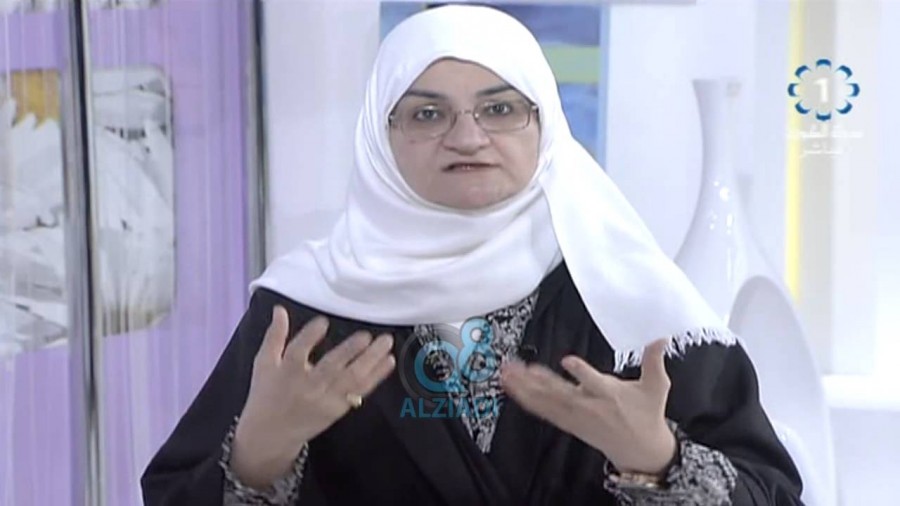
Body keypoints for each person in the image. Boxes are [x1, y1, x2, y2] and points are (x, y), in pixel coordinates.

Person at [141, 5, 803, 505]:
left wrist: (659, 462)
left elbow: (773, 493)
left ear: (546, 126)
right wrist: (256, 461)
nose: (467, 137)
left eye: (501, 109)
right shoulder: (306, 308)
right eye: (427, 115)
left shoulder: (630, 302)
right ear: (379, 139)